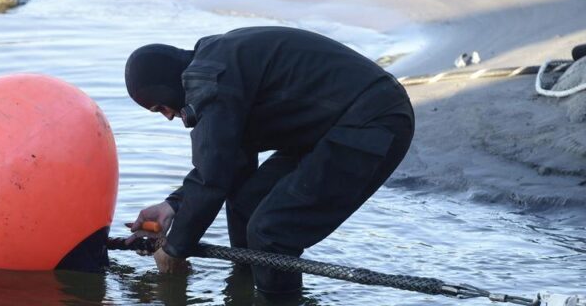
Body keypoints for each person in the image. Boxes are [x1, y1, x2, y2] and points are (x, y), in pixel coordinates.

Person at [123, 26, 414, 296]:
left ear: (165, 85)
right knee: (248, 204)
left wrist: (174, 248)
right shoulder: (214, 67)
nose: (169, 115)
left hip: (374, 120)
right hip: (332, 125)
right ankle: (244, 290)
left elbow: (211, 178)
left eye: (160, 106)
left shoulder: (207, 82)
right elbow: (226, 162)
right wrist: (173, 205)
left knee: (272, 231)